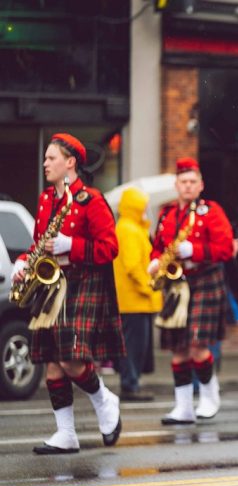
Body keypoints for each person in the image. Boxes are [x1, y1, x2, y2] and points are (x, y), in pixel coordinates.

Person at [12, 133, 124, 454]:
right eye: (46, 158)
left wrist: (70, 246)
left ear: (70, 162)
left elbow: (110, 248)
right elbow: (39, 243)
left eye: (52, 158)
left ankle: (104, 399)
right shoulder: (47, 199)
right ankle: (66, 433)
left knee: (71, 359)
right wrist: (24, 262)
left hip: (81, 281)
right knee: (52, 361)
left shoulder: (91, 200)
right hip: (51, 283)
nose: (46, 163)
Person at [150, 157, 234, 425]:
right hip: (176, 284)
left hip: (205, 279)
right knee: (179, 348)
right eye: (183, 182)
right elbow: (158, 245)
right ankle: (183, 407)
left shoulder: (211, 211)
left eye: (192, 182)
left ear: (201, 185)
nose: (187, 186)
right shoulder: (167, 213)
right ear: (176, 185)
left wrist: (194, 251)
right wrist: (154, 260)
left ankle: (210, 396)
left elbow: (226, 248)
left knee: (198, 344)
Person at [113, 187, 162, 401]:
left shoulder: (132, 228)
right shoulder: (128, 230)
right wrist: (148, 286)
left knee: (136, 346)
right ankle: (130, 385)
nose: (146, 209)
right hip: (132, 300)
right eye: (142, 205)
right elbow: (132, 266)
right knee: (133, 347)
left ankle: (132, 383)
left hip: (135, 300)